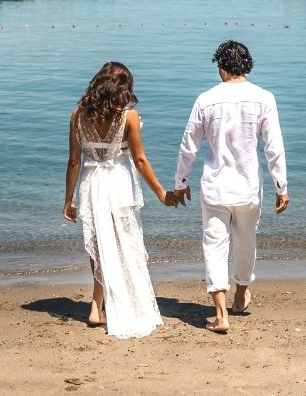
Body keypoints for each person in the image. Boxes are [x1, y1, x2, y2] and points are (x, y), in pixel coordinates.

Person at [174, 41, 289, 334]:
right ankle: (240, 294)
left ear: (222, 66)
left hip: (215, 187)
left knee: (214, 246)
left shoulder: (206, 99)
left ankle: (221, 314)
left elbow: (188, 146)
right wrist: (281, 186)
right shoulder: (264, 98)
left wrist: (180, 182)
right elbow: (274, 147)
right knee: (246, 241)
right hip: (248, 187)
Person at [63, 62, 180, 338]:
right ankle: (108, 304)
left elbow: (74, 162)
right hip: (119, 184)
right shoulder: (129, 116)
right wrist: (161, 193)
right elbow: (140, 160)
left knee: (99, 244)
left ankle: (96, 307)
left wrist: (68, 199)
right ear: (123, 88)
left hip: (91, 184)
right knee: (123, 241)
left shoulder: (78, 115)